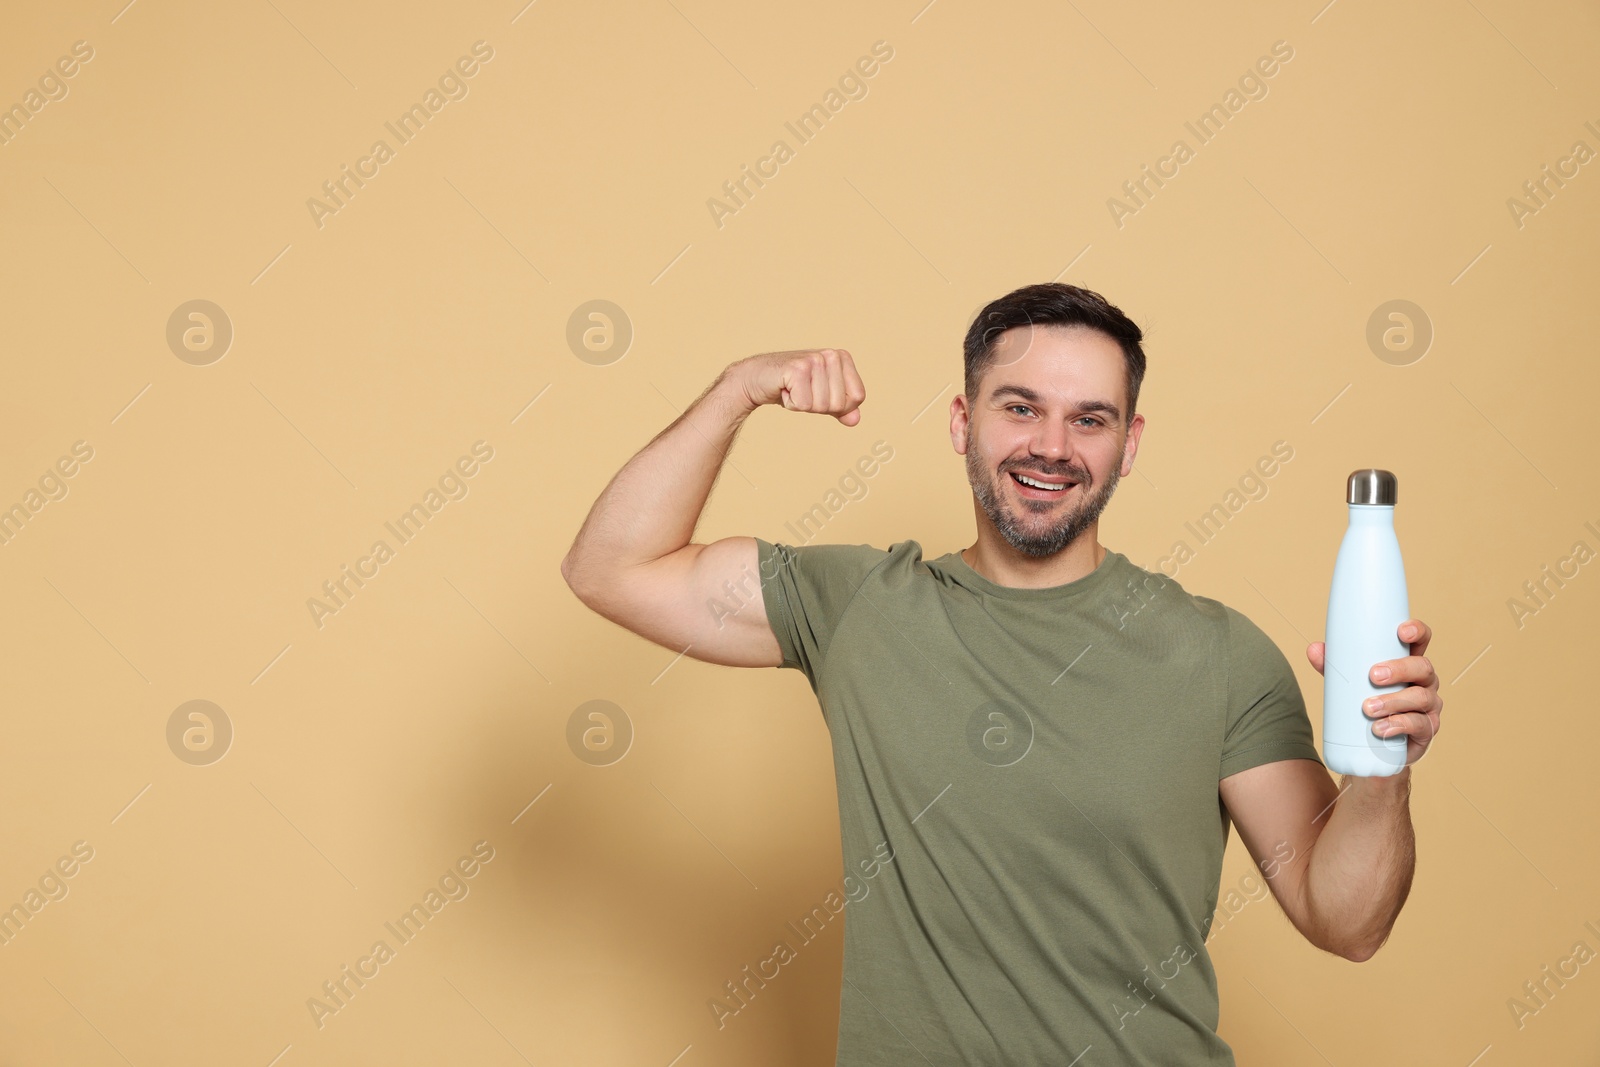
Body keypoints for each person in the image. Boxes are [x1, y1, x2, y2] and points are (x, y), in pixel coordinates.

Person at [560, 282, 1443, 1065]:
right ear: (961, 421)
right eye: (1019, 408)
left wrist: (1381, 771)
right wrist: (737, 389)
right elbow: (612, 567)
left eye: (1089, 419)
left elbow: (1347, 921)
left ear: (1129, 443)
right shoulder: (860, 608)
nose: (1051, 446)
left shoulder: (1217, 652)